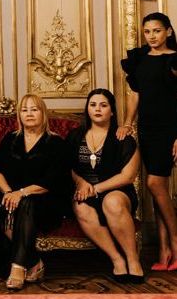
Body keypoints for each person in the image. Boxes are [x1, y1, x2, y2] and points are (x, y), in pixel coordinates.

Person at [0, 93, 70, 290]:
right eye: (25, 110)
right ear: (19, 115)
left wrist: (22, 192)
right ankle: (34, 263)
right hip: (12, 197)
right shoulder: (10, 139)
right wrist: (9, 192)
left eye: (34, 109)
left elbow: (52, 180)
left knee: (27, 202)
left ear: (43, 113)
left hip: (46, 201)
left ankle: (17, 267)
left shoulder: (55, 142)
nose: (29, 114)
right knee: (0, 204)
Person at [118, 11, 177, 270]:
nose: (151, 36)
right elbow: (135, 95)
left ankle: (175, 241)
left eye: (157, 30)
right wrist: (128, 123)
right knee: (158, 189)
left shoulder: (176, 60)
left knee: (155, 183)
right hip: (147, 129)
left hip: (170, 129)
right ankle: (164, 254)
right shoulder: (140, 59)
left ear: (169, 32)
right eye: (147, 31)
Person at [69, 88, 143, 282]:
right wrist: (81, 182)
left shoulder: (122, 138)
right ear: (87, 109)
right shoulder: (76, 136)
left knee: (112, 202)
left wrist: (96, 189)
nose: (98, 109)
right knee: (80, 206)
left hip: (116, 190)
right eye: (93, 105)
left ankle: (133, 260)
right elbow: (67, 167)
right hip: (85, 189)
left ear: (112, 111)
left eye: (103, 105)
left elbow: (127, 176)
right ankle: (117, 260)